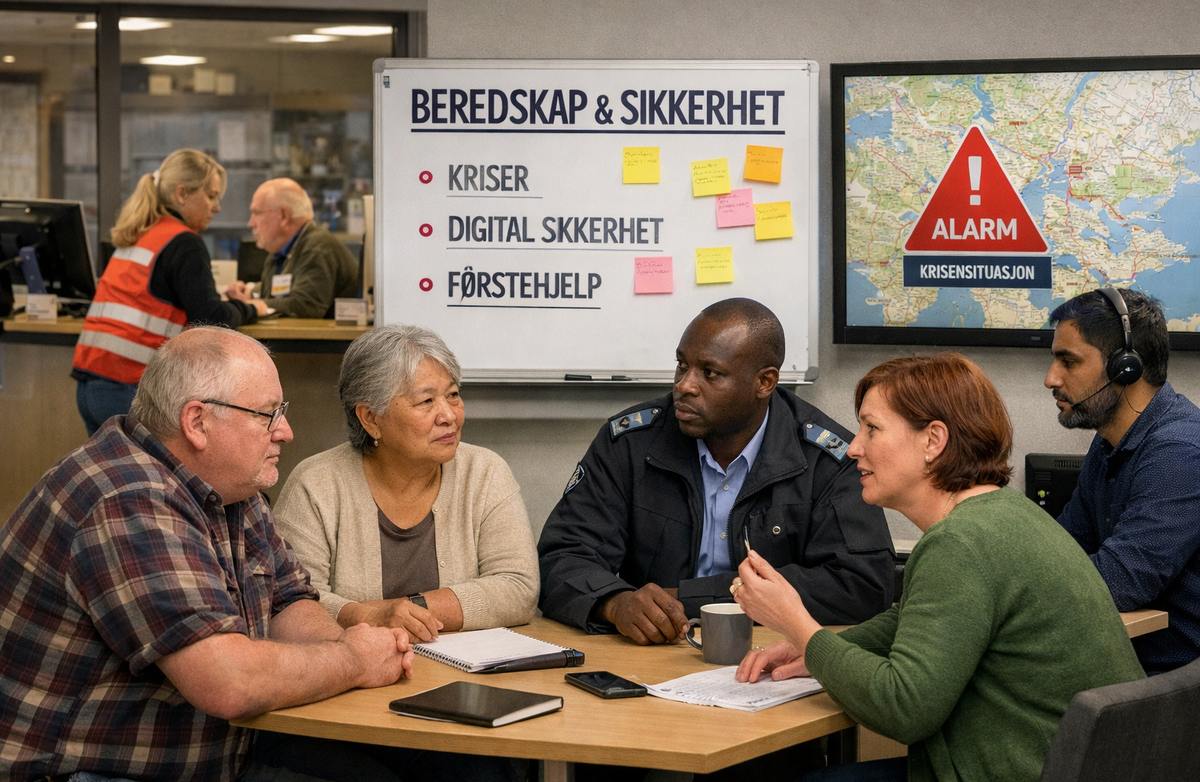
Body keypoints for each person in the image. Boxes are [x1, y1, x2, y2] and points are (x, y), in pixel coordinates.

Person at [0, 326, 413, 782]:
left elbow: (287, 600)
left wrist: (348, 648)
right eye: (267, 414)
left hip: (212, 750)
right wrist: (353, 660)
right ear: (197, 422)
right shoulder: (129, 500)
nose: (286, 432)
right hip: (85, 769)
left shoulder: (232, 485)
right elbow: (229, 683)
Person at [733, 353, 1146, 782]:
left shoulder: (958, 543)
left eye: (872, 428)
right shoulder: (1004, 512)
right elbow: (918, 620)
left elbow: (904, 710)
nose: (854, 446)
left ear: (933, 441)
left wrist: (798, 625)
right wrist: (814, 651)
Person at [256, 323, 535, 782]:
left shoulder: (485, 472)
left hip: (457, 697)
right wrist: (369, 615)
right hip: (343, 704)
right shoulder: (317, 483)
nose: (449, 415)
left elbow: (518, 588)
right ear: (370, 419)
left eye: (454, 395)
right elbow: (287, 600)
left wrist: (412, 610)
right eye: (426, 401)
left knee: (489, 772)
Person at [538, 297, 895, 645]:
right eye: (682, 365)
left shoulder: (828, 458)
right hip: (651, 659)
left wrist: (688, 599)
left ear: (764, 383)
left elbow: (862, 586)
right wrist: (615, 604)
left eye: (710, 373)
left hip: (773, 657)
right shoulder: (631, 443)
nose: (685, 386)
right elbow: (561, 557)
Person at [1045, 287, 1200, 674]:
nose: (1051, 379)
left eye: (1068, 361)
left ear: (1125, 368)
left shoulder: (1180, 453)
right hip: (1119, 668)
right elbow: (1062, 548)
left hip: (1171, 688)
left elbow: (1119, 582)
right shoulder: (1111, 442)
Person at [72, 149, 268, 435]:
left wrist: (223, 296)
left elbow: (156, 298)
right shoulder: (184, 241)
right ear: (182, 194)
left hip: (91, 383)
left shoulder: (140, 231)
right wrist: (253, 309)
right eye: (211, 196)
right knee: (146, 478)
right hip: (128, 385)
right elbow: (212, 319)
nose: (217, 207)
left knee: (113, 477)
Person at [226, 177, 359, 319]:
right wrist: (249, 291)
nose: (250, 223)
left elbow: (306, 305)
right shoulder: (281, 251)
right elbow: (281, 291)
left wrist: (250, 306)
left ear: (284, 215)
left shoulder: (318, 246)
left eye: (257, 213)